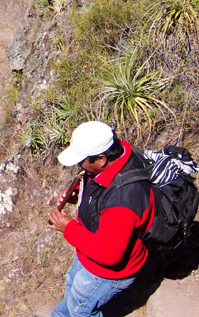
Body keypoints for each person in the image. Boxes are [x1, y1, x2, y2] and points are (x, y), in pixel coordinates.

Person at [47, 121, 154, 317]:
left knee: (80, 310)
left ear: (101, 159)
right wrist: (78, 193)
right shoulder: (119, 156)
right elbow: (101, 188)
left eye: (82, 161)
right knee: (71, 296)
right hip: (87, 254)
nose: (79, 166)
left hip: (102, 272)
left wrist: (68, 227)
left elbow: (108, 254)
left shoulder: (123, 200)